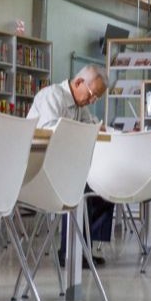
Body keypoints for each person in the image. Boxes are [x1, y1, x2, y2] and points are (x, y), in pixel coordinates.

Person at [27, 64, 113, 267]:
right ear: (78, 82)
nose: (92, 101)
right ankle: (69, 251)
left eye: (97, 98)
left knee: (103, 188)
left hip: (63, 165)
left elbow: (89, 125)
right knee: (79, 186)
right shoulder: (52, 96)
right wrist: (85, 129)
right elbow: (49, 130)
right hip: (39, 166)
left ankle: (83, 248)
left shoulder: (80, 106)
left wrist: (95, 127)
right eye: (92, 95)